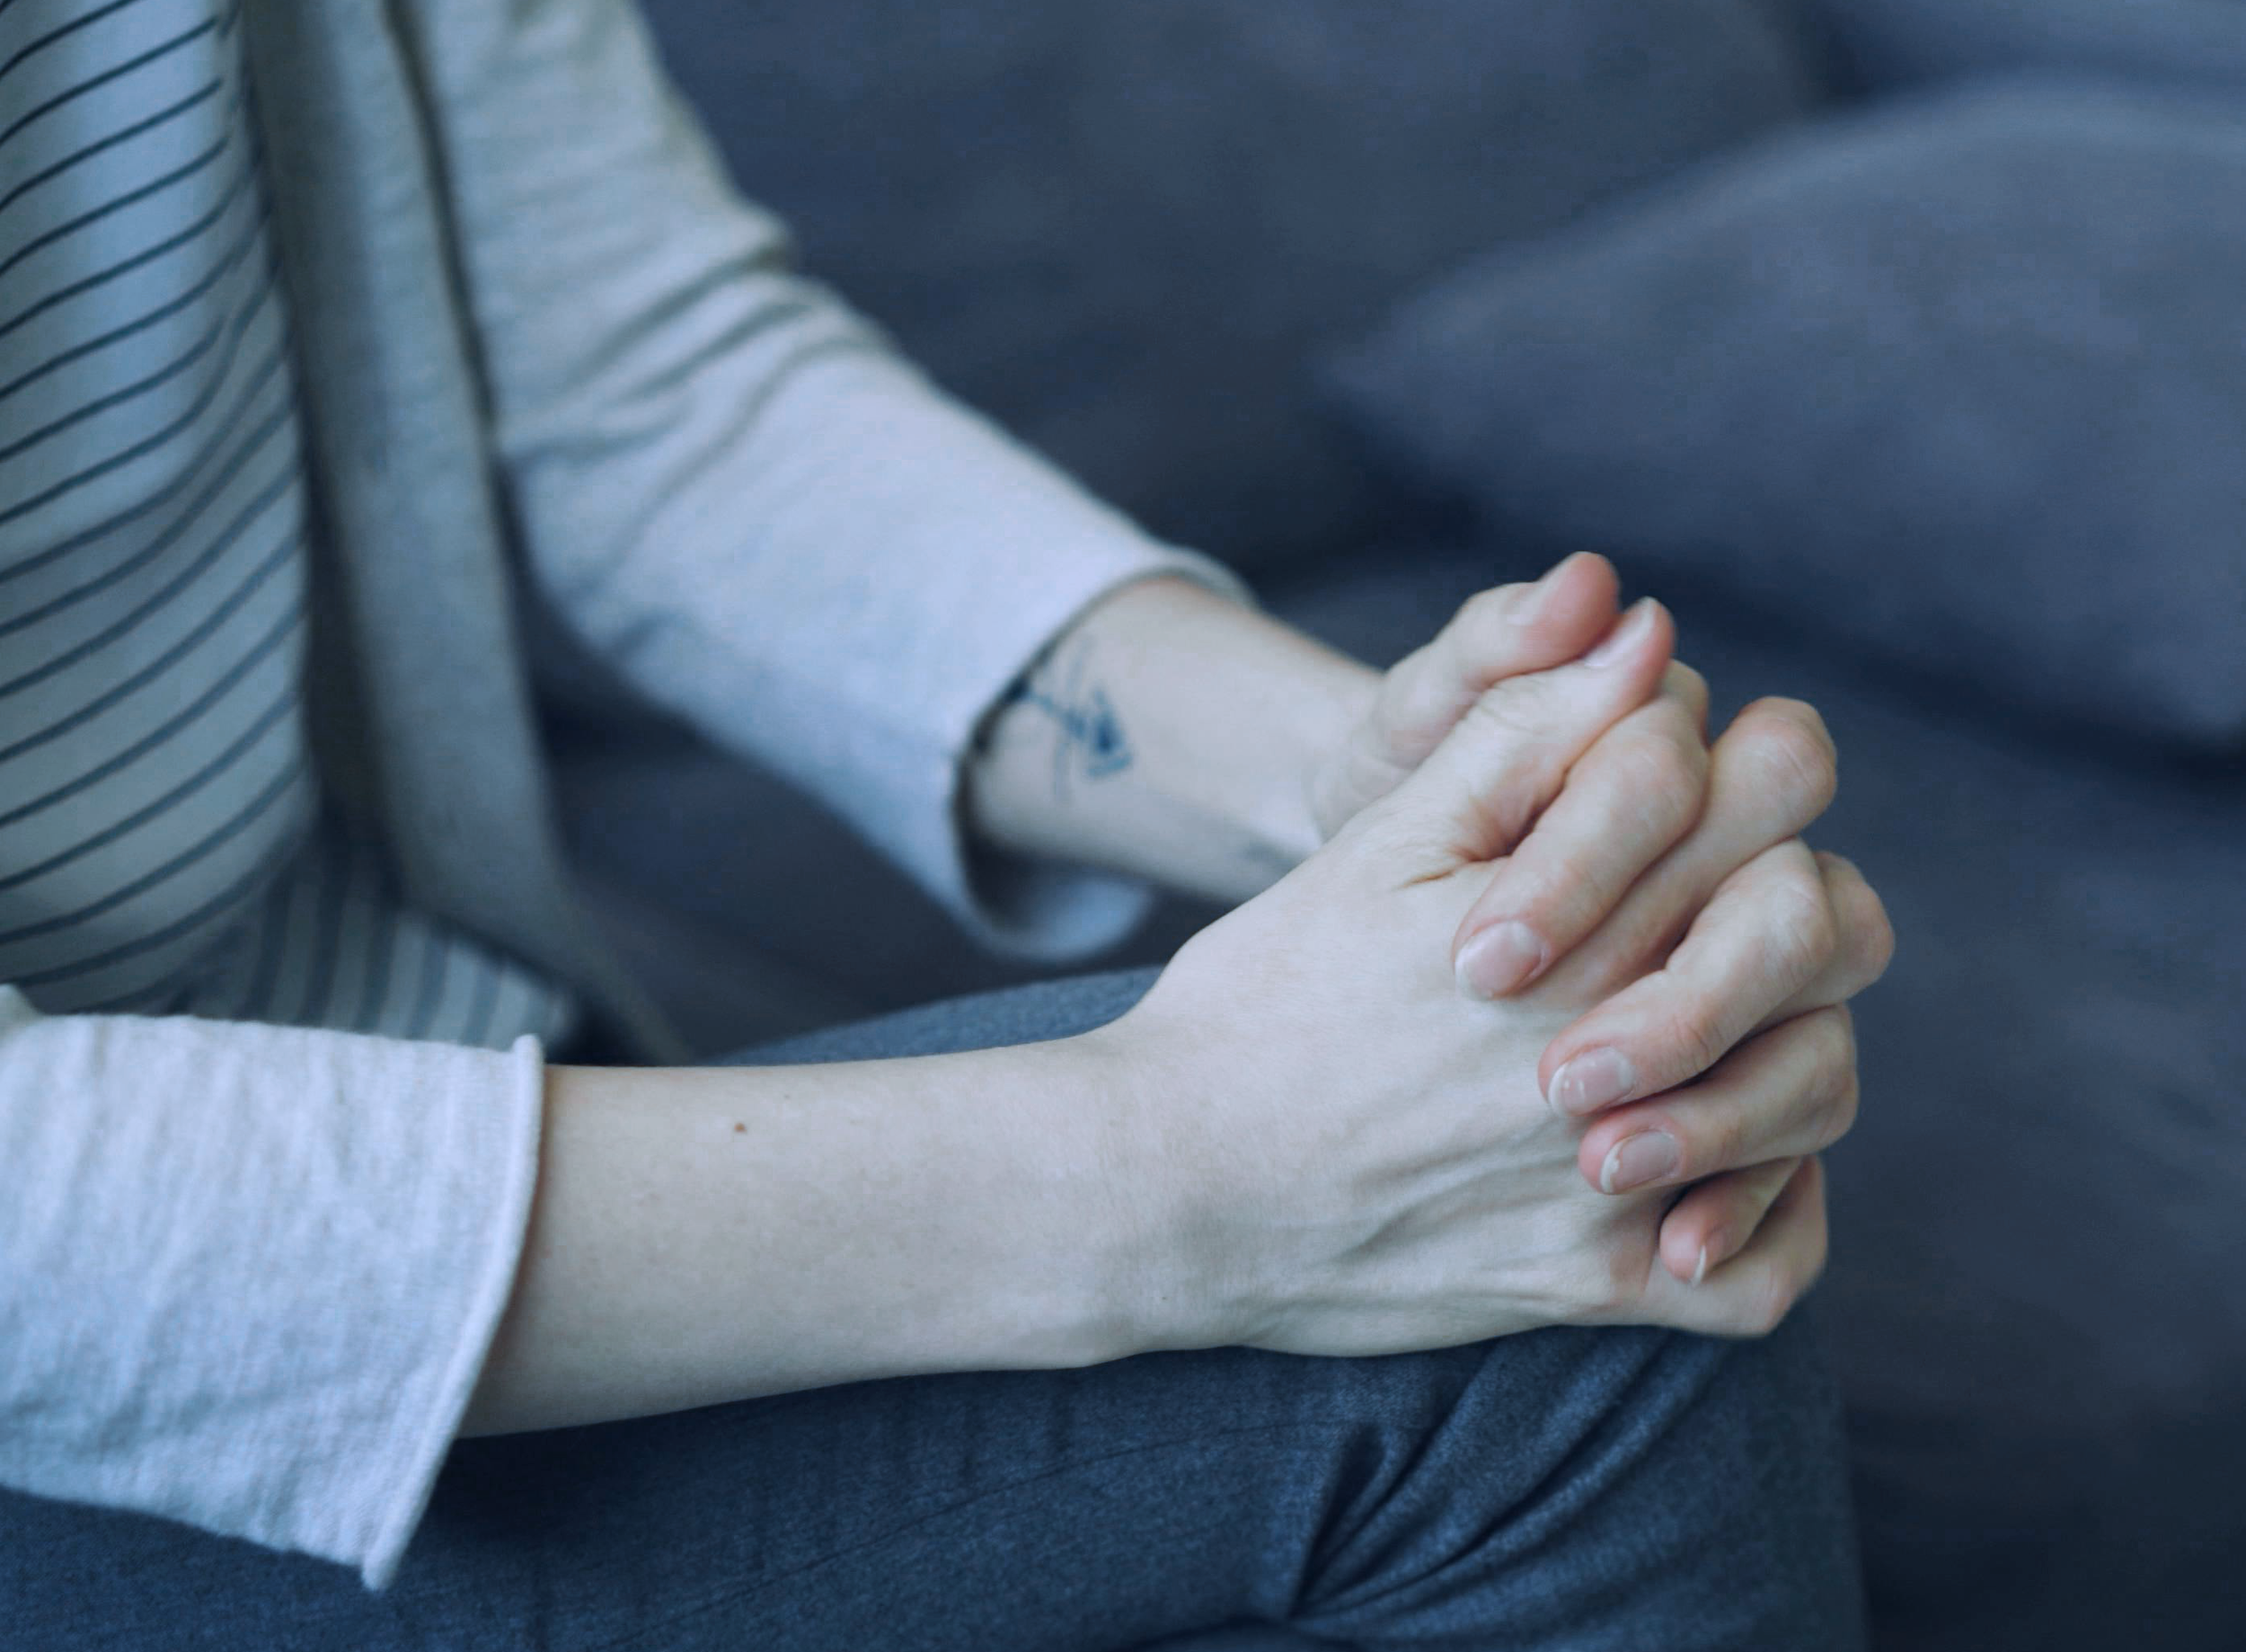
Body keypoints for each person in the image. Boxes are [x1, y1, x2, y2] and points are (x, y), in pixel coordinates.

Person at [0, 1, 1891, 1646]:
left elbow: (653, 392)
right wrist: (1173, 1167)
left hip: (381, 1041)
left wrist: (1386, 792)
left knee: (1532, 1099)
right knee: (1543, 1337)